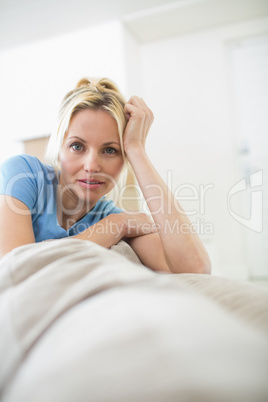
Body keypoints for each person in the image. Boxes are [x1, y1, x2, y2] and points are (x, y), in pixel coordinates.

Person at [0, 77, 211, 274]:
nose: (91, 166)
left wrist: (137, 149)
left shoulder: (110, 216)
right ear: (59, 146)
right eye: (77, 146)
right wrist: (116, 225)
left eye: (110, 150)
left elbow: (195, 269)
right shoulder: (23, 174)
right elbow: (17, 269)